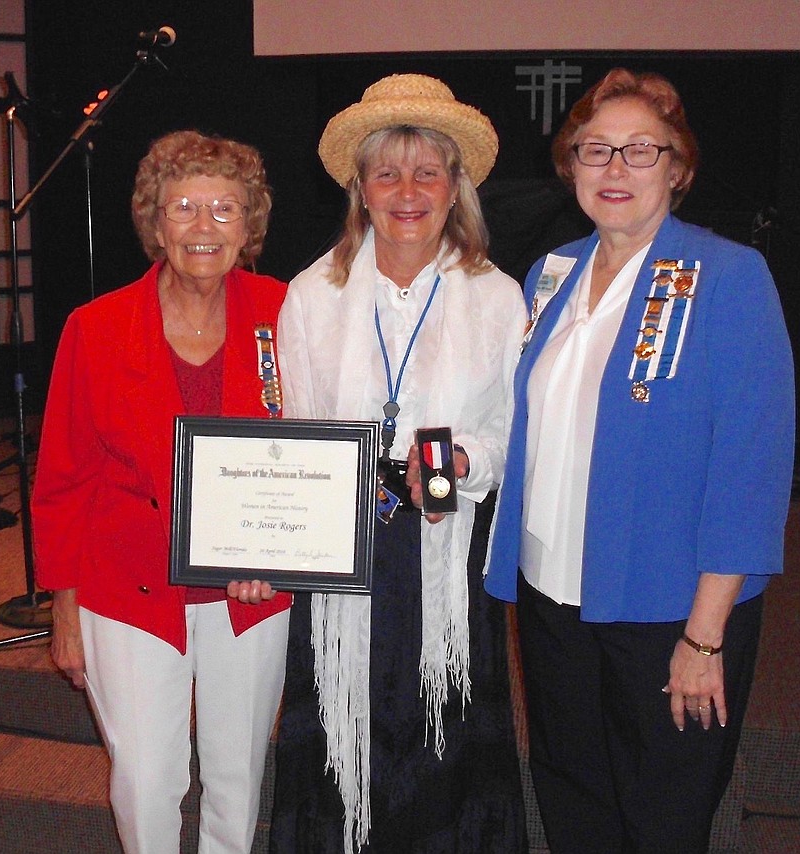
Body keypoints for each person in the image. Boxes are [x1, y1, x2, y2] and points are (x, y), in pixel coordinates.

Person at [484, 68, 795, 853]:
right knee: (571, 789)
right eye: (596, 151)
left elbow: (751, 467)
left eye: (639, 151)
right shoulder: (548, 275)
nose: (615, 170)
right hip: (552, 591)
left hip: (669, 605)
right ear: (570, 166)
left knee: (662, 812)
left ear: (677, 168)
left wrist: (705, 635)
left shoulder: (726, 277)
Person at [269, 74, 529, 853]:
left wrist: (463, 459)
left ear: (457, 187)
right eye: (387, 172)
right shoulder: (311, 294)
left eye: (427, 172)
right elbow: (291, 428)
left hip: (445, 548)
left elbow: (513, 430)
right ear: (361, 188)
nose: (407, 191)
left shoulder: (497, 296)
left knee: (442, 725)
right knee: (336, 724)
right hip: (343, 548)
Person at [31, 130, 292, 854]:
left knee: (238, 778)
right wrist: (65, 605)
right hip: (129, 585)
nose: (204, 227)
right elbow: (62, 478)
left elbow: (316, 455)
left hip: (253, 590)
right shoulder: (96, 328)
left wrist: (286, 550)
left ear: (250, 224)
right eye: (183, 207)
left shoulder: (289, 312)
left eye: (224, 209)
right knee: (147, 781)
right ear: (154, 220)